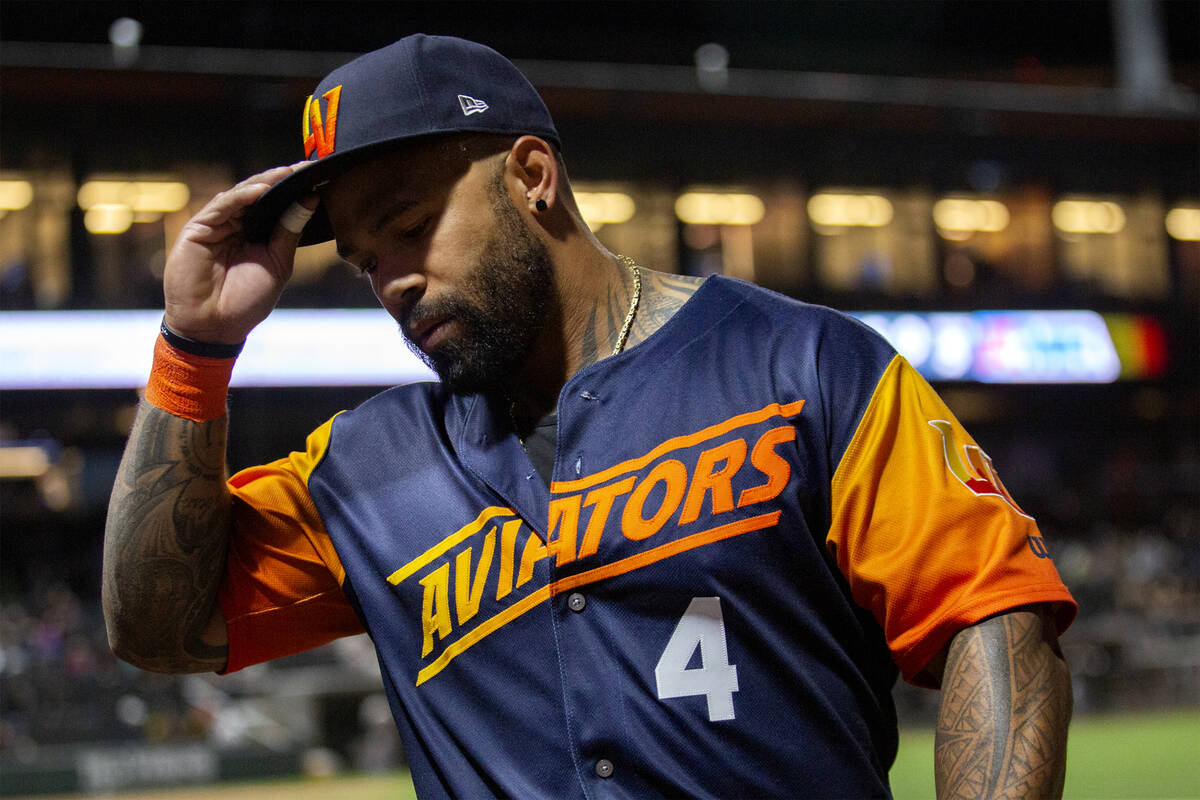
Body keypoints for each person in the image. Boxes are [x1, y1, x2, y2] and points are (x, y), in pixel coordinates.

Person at [103, 34, 1076, 799]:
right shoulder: (362, 473)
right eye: (364, 258)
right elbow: (158, 624)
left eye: (410, 224)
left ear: (533, 176)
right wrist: (194, 345)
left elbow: (994, 624)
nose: (394, 277)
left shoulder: (804, 365)